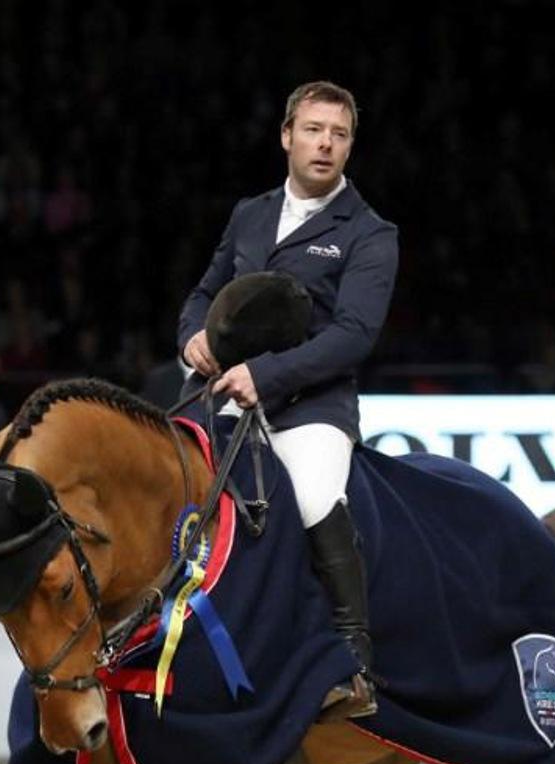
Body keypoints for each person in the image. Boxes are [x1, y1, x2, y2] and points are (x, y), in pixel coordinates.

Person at [177, 80, 398, 717]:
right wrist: (192, 336)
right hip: (222, 393)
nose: (325, 144)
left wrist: (265, 376)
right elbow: (206, 291)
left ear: (349, 146)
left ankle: (353, 660)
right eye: (313, 130)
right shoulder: (250, 213)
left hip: (310, 407)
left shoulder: (370, 232)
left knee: (312, 495)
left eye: (339, 134)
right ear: (287, 136)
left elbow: (353, 335)